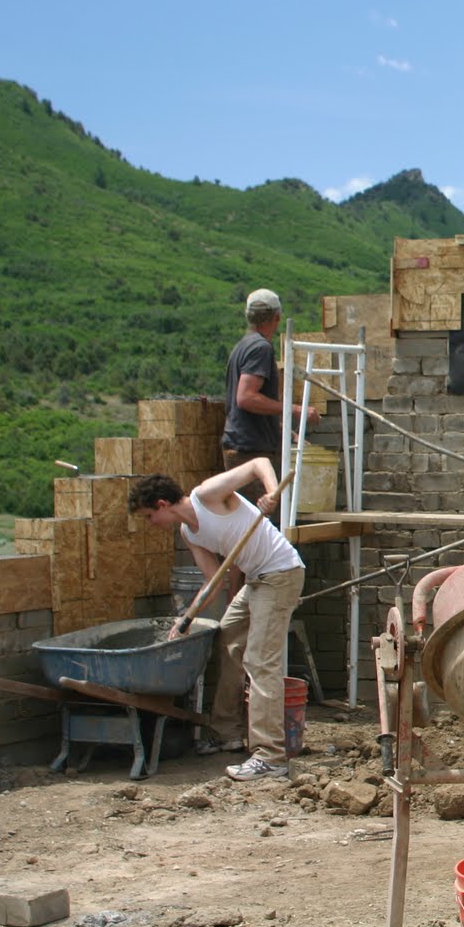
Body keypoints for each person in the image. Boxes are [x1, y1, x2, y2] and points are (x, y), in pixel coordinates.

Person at [129, 457, 305, 782]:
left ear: (163, 504)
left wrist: (270, 494)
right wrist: (185, 620)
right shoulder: (189, 533)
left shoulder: (207, 495)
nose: (151, 523)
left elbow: (259, 463)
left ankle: (271, 756)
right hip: (256, 580)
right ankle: (227, 732)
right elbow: (213, 581)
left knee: (260, 661)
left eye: (150, 516)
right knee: (228, 639)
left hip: (280, 574)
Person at [222, 288, 319, 502]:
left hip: (242, 446)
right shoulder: (261, 348)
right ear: (276, 317)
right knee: (262, 525)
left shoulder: (243, 346)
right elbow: (246, 397)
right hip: (250, 452)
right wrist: (294, 409)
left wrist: (279, 428)